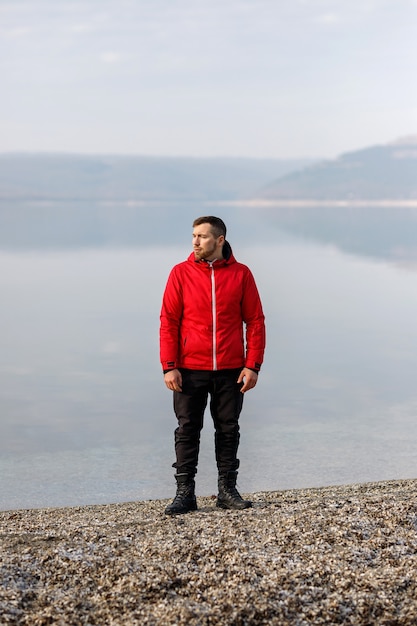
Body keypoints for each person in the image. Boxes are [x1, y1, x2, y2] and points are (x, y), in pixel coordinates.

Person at [160, 216, 266, 515]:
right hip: (189, 368)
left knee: (228, 429)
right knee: (187, 429)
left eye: (202, 236)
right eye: (193, 235)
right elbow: (168, 322)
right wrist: (169, 365)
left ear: (220, 240)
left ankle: (226, 491)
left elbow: (255, 321)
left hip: (231, 369)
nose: (195, 241)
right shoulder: (180, 274)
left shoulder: (241, 274)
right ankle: (185, 494)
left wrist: (253, 365)